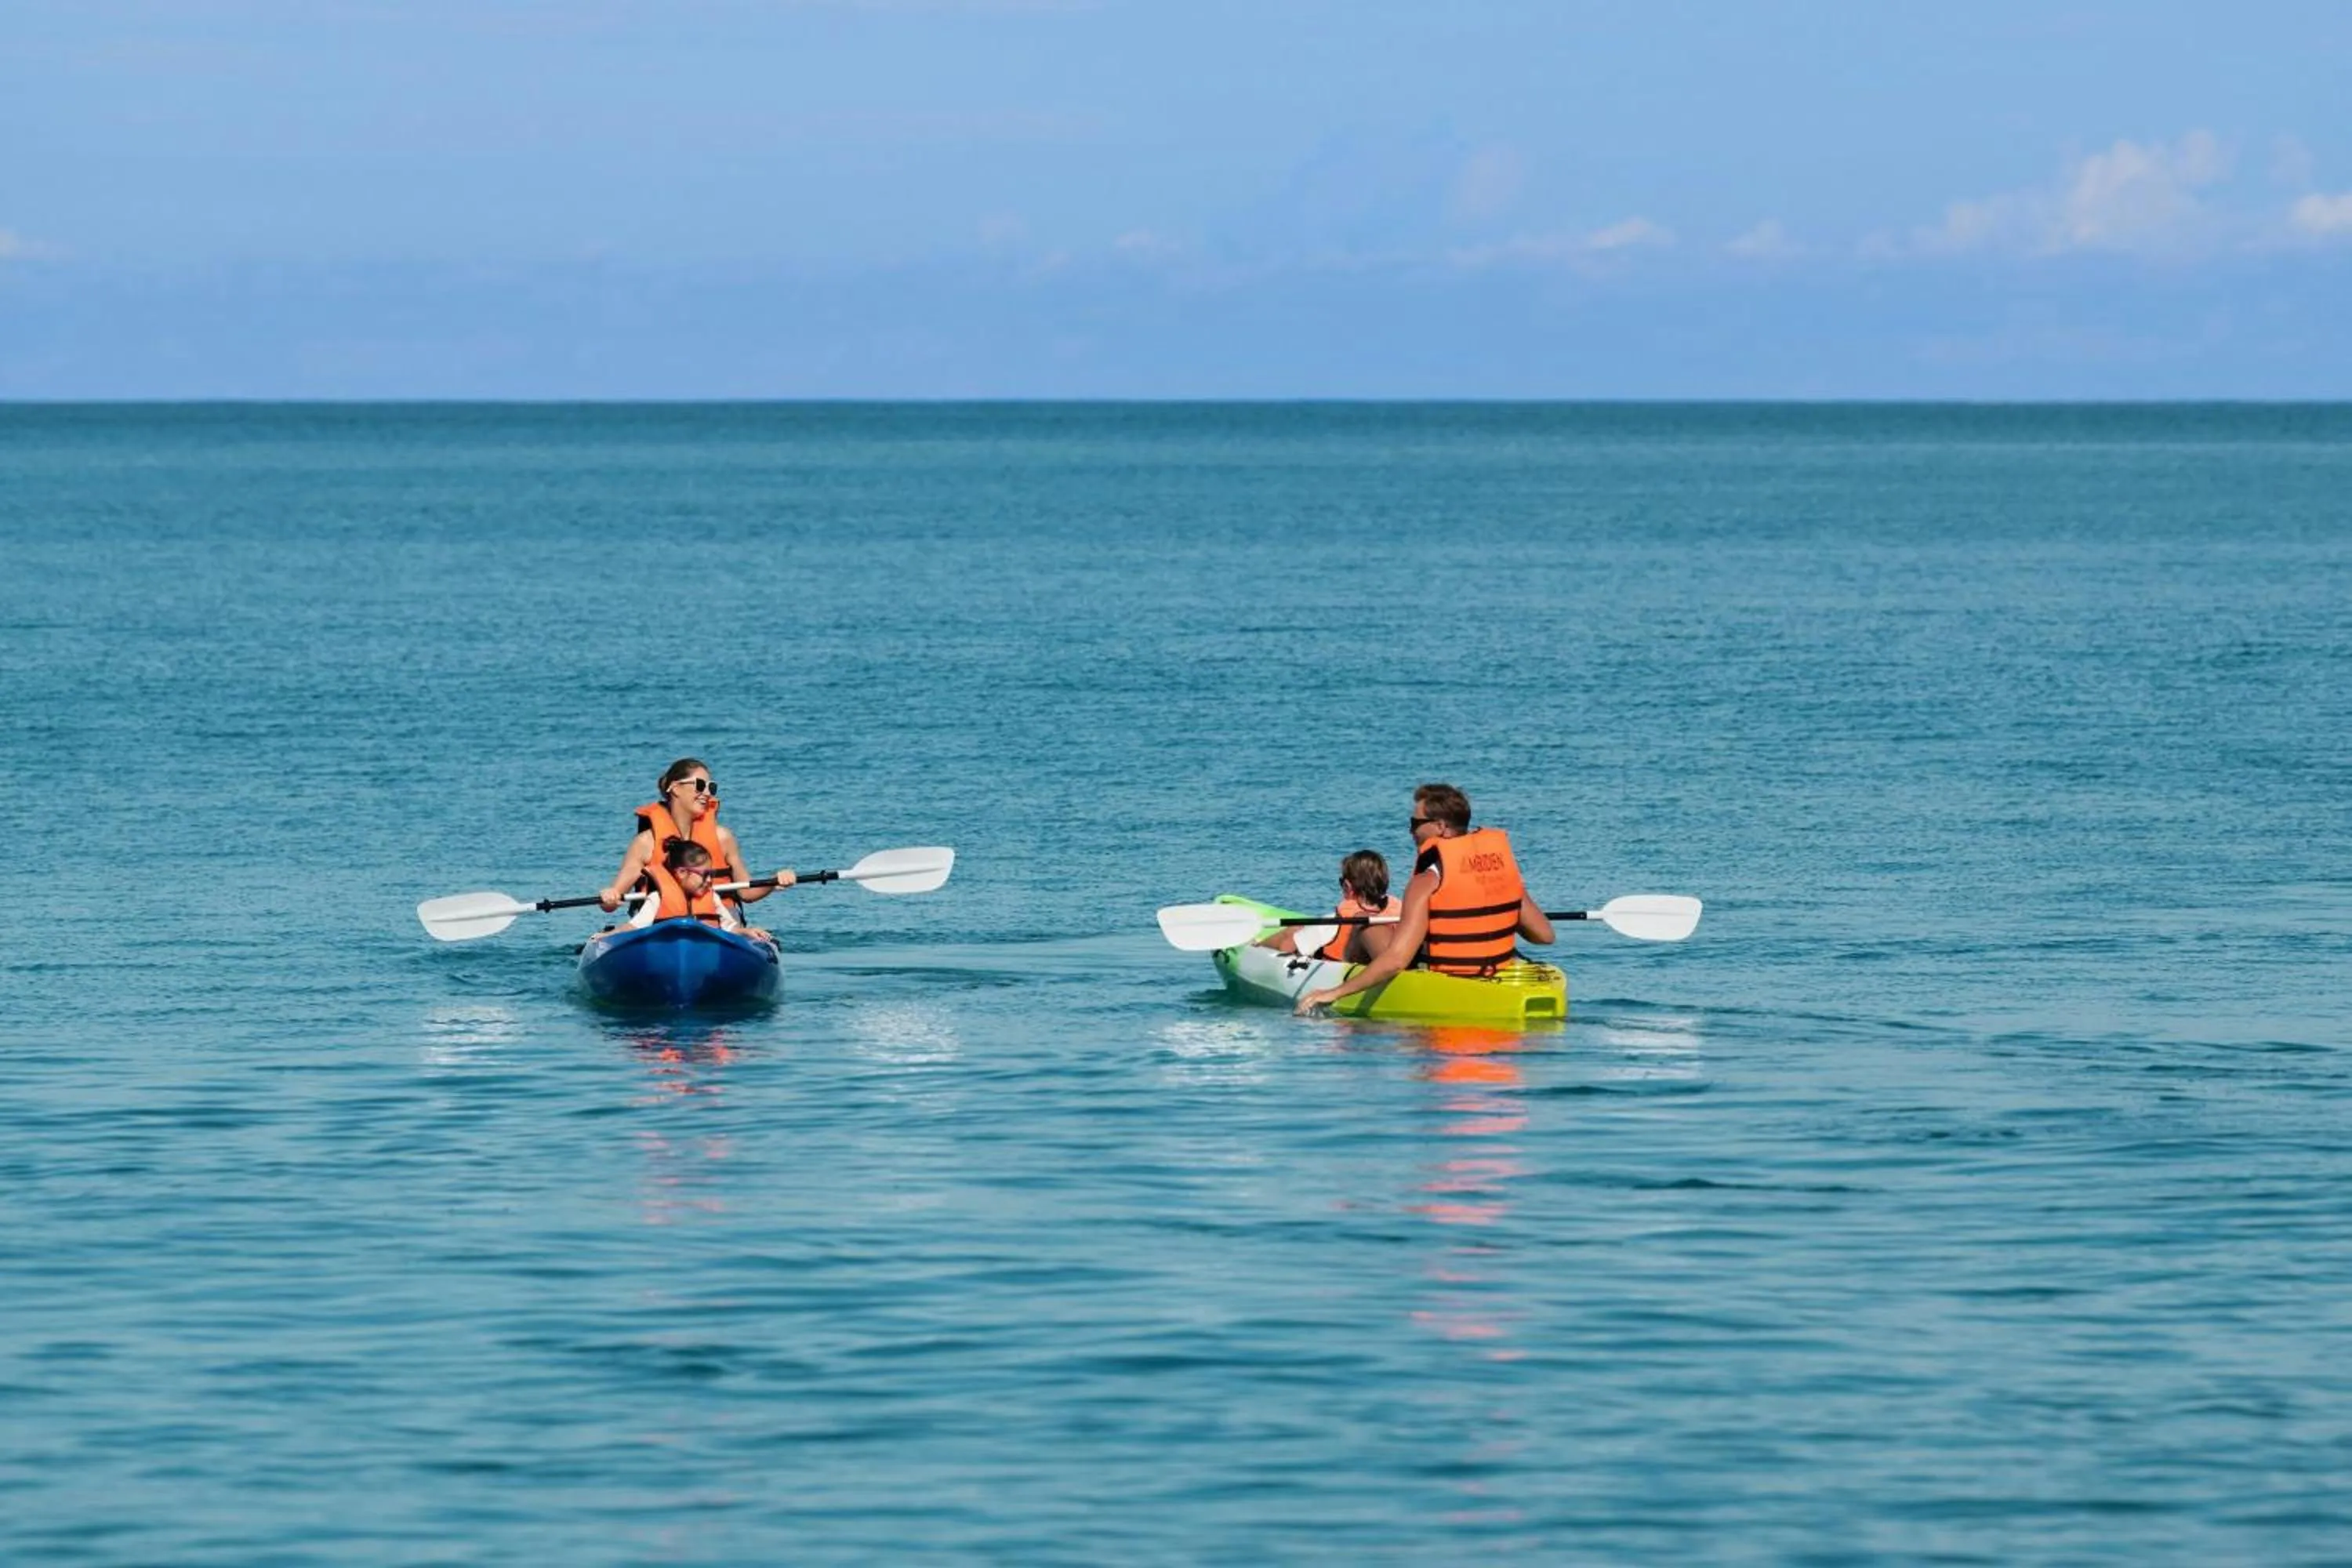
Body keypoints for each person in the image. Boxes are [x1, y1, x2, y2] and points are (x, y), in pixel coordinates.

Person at [1296, 783, 1555, 1014]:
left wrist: (1333, 993)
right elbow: (1544, 935)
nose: (1411, 831)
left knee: (1366, 926)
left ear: (1440, 827)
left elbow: (1396, 961)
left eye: (1415, 823)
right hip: (1493, 973)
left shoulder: (1426, 882)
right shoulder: (1500, 870)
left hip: (1443, 980)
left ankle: (1343, 967)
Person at [598, 757, 792, 916]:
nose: (707, 793)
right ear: (674, 788)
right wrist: (610, 896)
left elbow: (746, 893)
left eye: (711, 787)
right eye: (700, 785)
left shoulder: (722, 837)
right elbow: (610, 904)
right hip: (663, 927)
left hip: (718, 923)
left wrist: (773, 881)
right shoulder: (645, 843)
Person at [1257, 850, 1406, 965]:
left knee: (1292, 931)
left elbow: (1286, 947)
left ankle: (1256, 946)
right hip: (1379, 963)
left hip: (1341, 971)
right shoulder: (1400, 914)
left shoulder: (1334, 923)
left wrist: (1256, 953)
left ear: (1348, 887)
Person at [630, 837, 772, 942]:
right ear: (681, 873)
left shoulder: (712, 898)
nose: (709, 881)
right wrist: (609, 937)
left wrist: (747, 932)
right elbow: (634, 927)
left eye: (711, 875)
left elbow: (730, 928)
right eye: (705, 875)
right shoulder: (657, 899)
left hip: (707, 952)